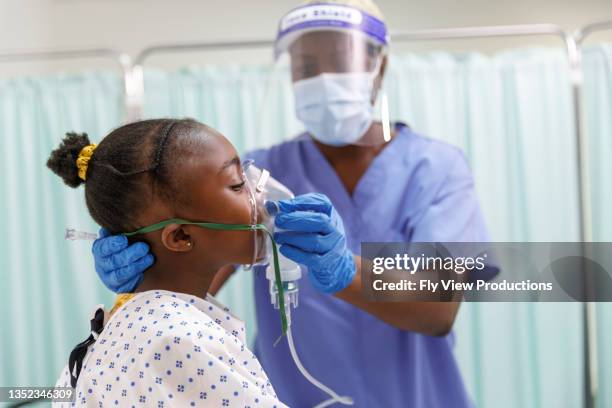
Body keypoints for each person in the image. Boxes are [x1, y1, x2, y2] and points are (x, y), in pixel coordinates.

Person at [92, 1, 496, 406]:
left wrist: (340, 269)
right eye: (306, 66)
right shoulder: (264, 170)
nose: (322, 78)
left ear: (379, 67)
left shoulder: (434, 168)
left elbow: (436, 309)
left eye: (340, 60)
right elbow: (194, 271)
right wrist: (148, 269)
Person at [47, 118, 290, 407]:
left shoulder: (118, 332)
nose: (259, 194)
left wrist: (349, 269)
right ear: (180, 235)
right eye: (238, 185)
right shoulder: (180, 342)